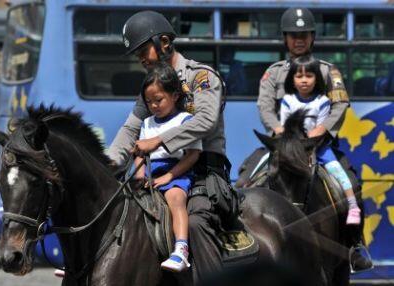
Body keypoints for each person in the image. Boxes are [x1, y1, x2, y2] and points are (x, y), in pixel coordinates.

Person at [237, 6, 372, 271]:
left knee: (352, 184)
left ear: (313, 38)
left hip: (318, 145)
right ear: (285, 38)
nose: (299, 39)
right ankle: (240, 241)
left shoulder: (326, 71)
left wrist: (319, 132)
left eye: (305, 34)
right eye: (293, 34)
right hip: (281, 146)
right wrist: (279, 133)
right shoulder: (273, 72)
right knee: (244, 179)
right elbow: (265, 106)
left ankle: (355, 245)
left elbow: (340, 105)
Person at [108, 10, 238, 282]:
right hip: (157, 174)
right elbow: (131, 129)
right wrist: (108, 163)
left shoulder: (201, 77)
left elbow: (206, 121)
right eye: (137, 55)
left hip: (203, 171)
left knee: (196, 223)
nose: (141, 59)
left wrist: (158, 141)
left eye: (144, 51)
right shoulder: (152, 87)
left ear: (164, 42)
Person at [134, 63, 202, 272]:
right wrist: (139, 174)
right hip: (150, 170)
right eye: (149, 102)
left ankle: (181, 250)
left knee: (175, 198)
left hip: (177, 170)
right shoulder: (146, 124)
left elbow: (193, 155)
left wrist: (169, 177)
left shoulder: (185, 120)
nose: (154, 105)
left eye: (158, 100)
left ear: (174, 96)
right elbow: (140, 154)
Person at [280, 55, 361, 224]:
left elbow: (319, 129)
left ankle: (353, 206)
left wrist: (308, 145)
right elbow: (285, 127)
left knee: (338, 172)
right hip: (291, 147)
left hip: (318, 147)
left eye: (309, 76)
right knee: (263, 165)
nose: (304, 80)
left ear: (317, 79)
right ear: (292, 79)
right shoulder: (287, 101)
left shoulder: (323, 102)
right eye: (299, 76)